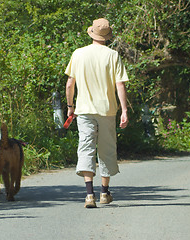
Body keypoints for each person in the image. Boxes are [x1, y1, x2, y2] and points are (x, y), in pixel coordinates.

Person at [64, 18, 129, 208]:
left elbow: (70, 84)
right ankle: (104, 193)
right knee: (106, 148)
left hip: (84, 110)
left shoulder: (78, 54)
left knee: (86, 147)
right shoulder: (113, 56)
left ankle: (89, 194)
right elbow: (120, 85)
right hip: (107, 110)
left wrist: (70, 106)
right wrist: (124, 110)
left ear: (92, 33)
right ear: (107, 37)